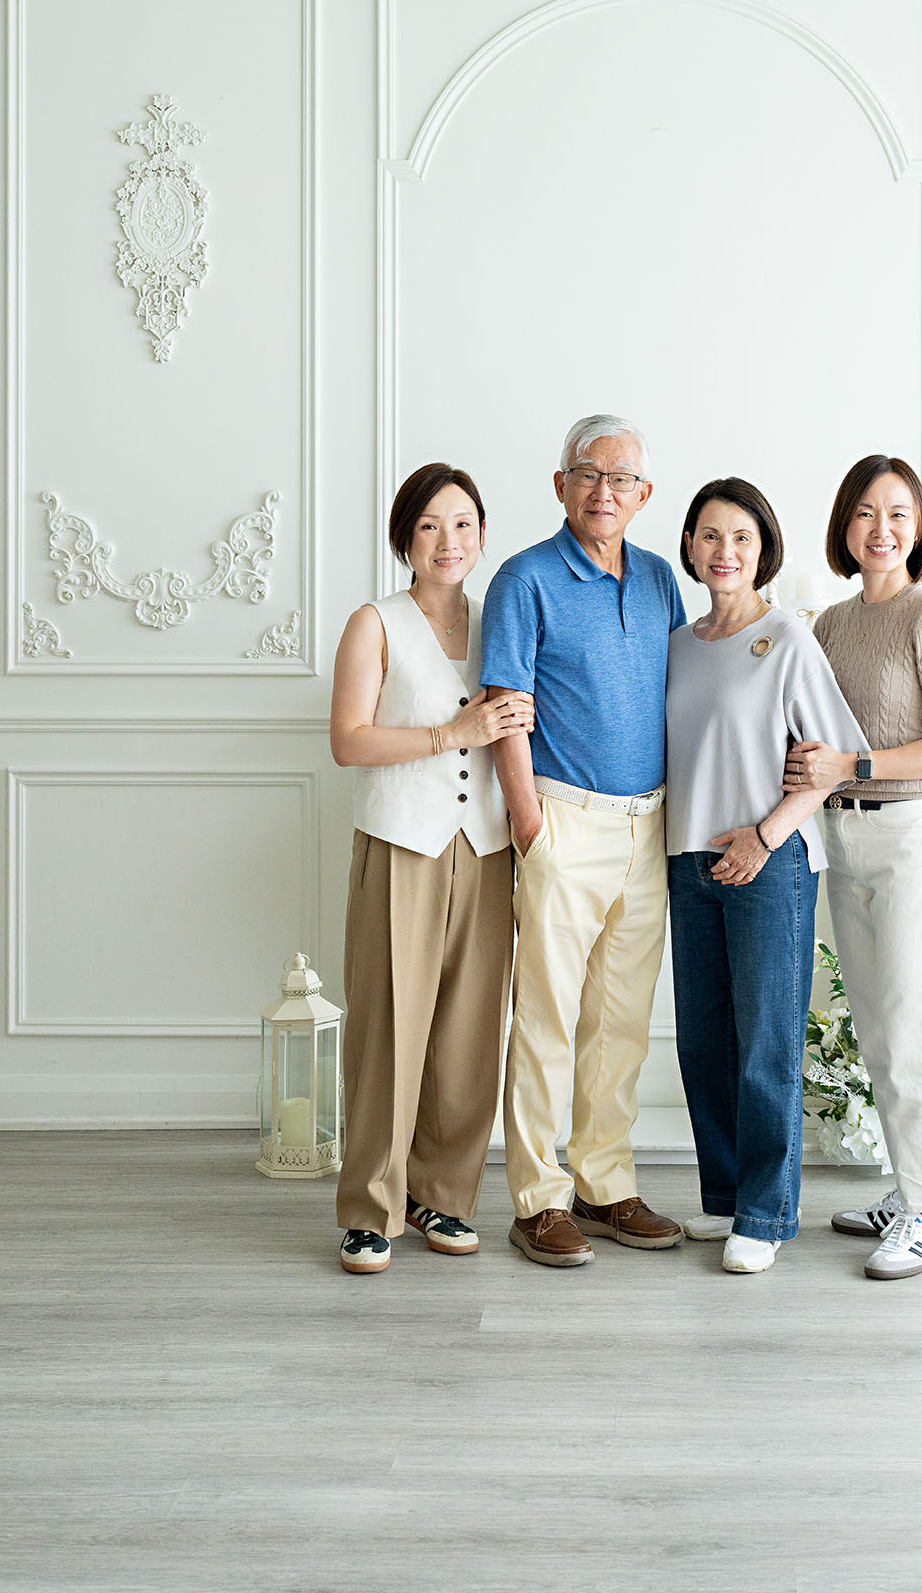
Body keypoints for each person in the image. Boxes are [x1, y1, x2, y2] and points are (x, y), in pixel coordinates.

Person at [480, 414, 687, 1268]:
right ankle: (538, 1198)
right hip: (563, 818)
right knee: (546, 1019)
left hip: (651, 823)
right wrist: (530, 823)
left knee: (621, 1022)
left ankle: (605, 1185)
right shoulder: (525, 579)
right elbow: (503, 708)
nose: (605, 492)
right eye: (588, 474)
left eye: (622, 479)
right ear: (560, 485)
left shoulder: (660, 579)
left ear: (645, 495)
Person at [329, 463, 534, 1274]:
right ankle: (368, 1209)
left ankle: (442, 1197)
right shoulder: (374, 623)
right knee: (389, 1030)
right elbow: (350, 740)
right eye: (429, 526)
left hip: (484, 849)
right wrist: (456, 733)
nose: (448, 541)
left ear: (483, 535)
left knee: (468, 1035)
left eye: (463, 524)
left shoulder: (501, 621)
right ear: (405, 540)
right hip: (401, 846)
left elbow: (516, 720)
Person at [666, 478, 867, 1273]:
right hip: (689, 861)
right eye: (711, 536)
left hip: (772, 863)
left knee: (766, 1044)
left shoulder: (787, 639)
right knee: (704, 1042)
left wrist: (763, 835)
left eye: (741, 538)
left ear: (763, 550)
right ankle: (727, 1200)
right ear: (690, 547)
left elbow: (829, 766)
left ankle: (768, 1212)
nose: (725, 552)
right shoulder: (679, 644)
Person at [784, 454, 922, 1281]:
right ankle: (908, 1189)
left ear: (919, 528)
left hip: (909, 838)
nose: (881, 529)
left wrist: (851, 768)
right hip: (841, 837)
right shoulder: (828, 625)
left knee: (913, 1026)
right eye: (865, 513)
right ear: (844, 527)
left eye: (898, 514)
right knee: (874, 1023)